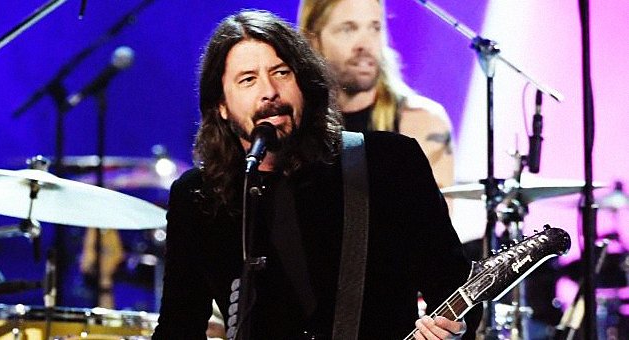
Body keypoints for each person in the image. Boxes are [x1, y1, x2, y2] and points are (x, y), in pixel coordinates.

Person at [152, 9, 480, 340]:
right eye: (248, 79)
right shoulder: (199, 197)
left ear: (304, 84)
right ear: (221, 105)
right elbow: (178, 327)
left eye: (281, 72)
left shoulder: (389, 163)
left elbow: (457, 290)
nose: (269, 91)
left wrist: (452, 332)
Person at [297, 0, 454, 189]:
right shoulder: (295, 124)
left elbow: (438, 216)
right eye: (348, 29)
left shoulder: (421, 122)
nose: (366, 44)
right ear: (312, 40)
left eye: (375, 28)